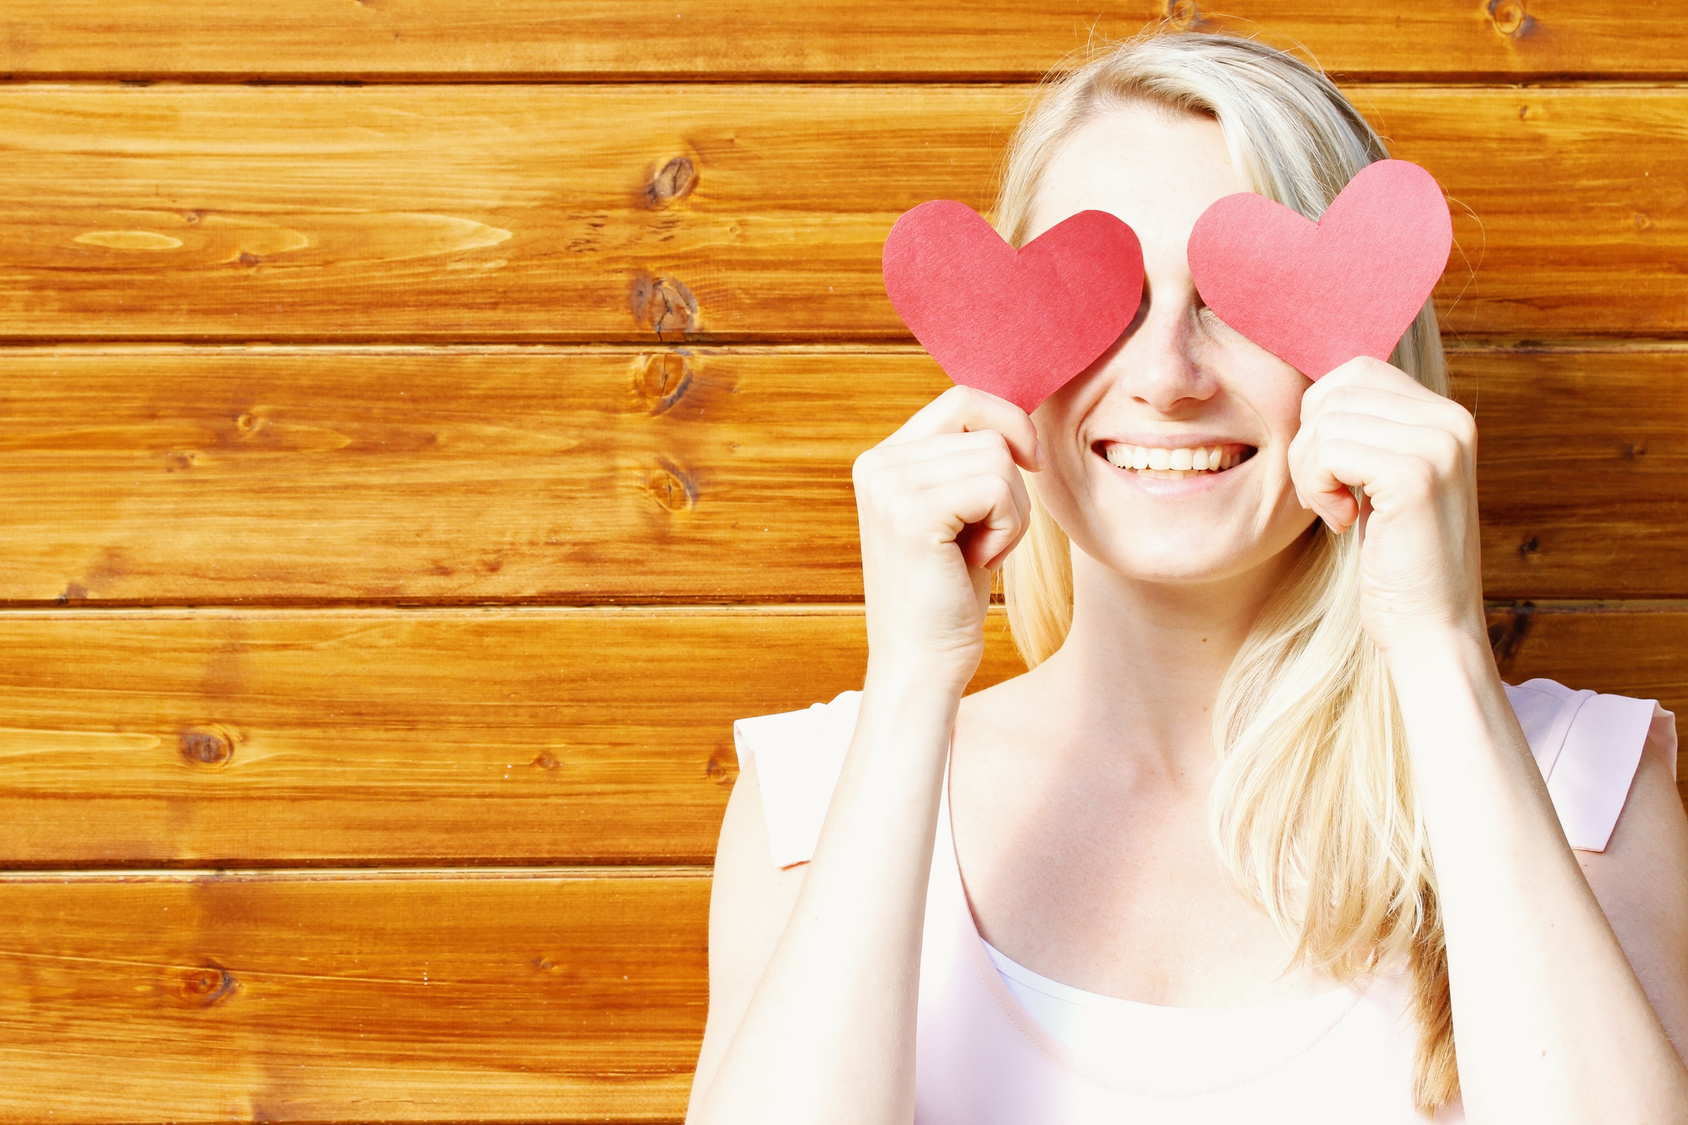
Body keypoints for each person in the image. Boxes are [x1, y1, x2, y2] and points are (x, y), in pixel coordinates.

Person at [684, 31, 1688, 1124]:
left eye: (1238, 297)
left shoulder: (1580, 787)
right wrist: (913, 675)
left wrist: (1434, 643)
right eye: (1105, 298)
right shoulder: (813, 794)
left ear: (1363, 353)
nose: (1165, 377)